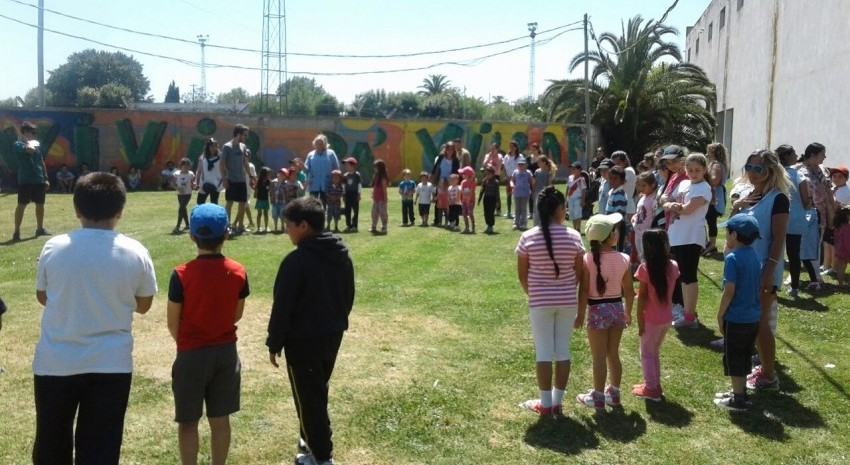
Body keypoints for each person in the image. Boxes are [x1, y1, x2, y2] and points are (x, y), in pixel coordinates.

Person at [33, 172, 157, 464]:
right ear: (120, 211)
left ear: (76, 210)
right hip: (111, 363)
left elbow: (43, 296)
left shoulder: (55, 246)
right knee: (101, 447)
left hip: (56, 361)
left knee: (51, 442)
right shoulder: (135, 251)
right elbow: (144, 304)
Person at [267, 197, 355, 465]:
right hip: (331, 335)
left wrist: (274, 342)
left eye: (289, 225)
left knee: (309, 398)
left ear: (303, 226)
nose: (286, 230)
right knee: (315, 391)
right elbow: (348, 295)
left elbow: (283, 306)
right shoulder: (341, 254)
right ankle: (309, 442)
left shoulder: (296, 262)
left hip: (303, 342)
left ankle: (322, 456)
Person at [167, 203, 249, 465]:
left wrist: (191, 338)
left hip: (191, 353)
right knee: (220, 420)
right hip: (226, 353)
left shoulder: (181, 275)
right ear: (226, 233)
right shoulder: (237, 271)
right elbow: (236, 314)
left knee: (188, 422)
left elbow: (173, 322)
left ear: (192, 236)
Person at [516, 187, 585, 417]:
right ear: (558, 210)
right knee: (563, 350)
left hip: (540, 302)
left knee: (544, 352)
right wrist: (566, 290)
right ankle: (557, 403)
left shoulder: (528, 237)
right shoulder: (574, 236)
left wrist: (533, 293)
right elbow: (579, 273)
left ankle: (545, 405)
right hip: (567, 301)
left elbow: (522, 274)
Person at [729, 150, 790, 392]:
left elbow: (778, 238)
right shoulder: (747, 194)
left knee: (759, 323)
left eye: (759, 169)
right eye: (749, 167)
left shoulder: (778, 199)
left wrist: (768, 272)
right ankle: (765, 371)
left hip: (763, 269)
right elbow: (732, 227)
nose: (752, 173)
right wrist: (736, 207)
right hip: (742, 267)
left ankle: (769, 375)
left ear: (771, 171)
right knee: (752, 322)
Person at [576, 212, 634, 411]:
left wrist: (580, 315)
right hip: (617, 309)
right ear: (611, 236)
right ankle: (614, 394)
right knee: (613, 354)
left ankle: (598, 396)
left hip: (596, 310)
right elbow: (629, 291)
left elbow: (583, 291)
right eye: (614, 230)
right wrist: (628, 313)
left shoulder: (586, 259)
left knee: (598, 356)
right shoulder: (624, 258)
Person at [713, 214, 763, 411]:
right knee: (744, 356)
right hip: (753, 317)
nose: (725, 235)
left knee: (733, 358)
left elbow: (729, 291)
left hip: (736, 318)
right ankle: (740, 391)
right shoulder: (754, 256)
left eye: (727, 232)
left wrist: (720, 314)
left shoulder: (733, 259)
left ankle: (738, 400)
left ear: (734, 234)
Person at [662, 153, 712, 328]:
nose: (693, 173)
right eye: (690, 169)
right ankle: (683, 310)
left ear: (705, 169)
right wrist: (670, 206)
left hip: (691, 238)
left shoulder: (704, 188)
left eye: (697, 170)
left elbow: (689, 209)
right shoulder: (683, 183)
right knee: (680, 275)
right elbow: (666, 201)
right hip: (676, 236)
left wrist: (673, 207)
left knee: (689, 276)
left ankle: (690, 317)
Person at [632, 229, 679, 401]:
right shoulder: (673, 266)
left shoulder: (645, 268)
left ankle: (651, 389)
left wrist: (639, 320)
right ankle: (653, 384)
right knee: (654, 352)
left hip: (650, 319)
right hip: (666, 318)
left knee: (646, 353)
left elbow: (642, 297)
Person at [777, 145, 818, 297]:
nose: (796, 155)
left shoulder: (775, 173)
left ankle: (773, 283)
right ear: (787, 156)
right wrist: (809, 202)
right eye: (793, 153)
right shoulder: (798, 175)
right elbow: (805, 200)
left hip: (776, 218)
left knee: (774, 251)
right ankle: (794, 287)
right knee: (794, 254)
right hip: (795, 219)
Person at [798, 143, 833, 282]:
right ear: (812, 155)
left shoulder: (823, 170)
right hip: (803, 213)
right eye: (822, 154)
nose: (825, 156)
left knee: (816, 244)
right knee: (799, 243)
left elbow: (829, 191)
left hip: (821, 214)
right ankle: (795, 274)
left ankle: (816, 275)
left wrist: (832, 211)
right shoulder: (798, 170)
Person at [12, 121, 50, 242]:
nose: (34, 135)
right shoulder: (18, 144)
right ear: (25, 132)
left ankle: (40, 229)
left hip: (38, 179)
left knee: (40, 204)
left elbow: (41, 161)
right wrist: (31, 143)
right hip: (26, 179)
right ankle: (16, 231)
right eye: (32, 132)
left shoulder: (36, 145)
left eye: (34, 133)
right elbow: (29, 150)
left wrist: (45, 177)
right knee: (22, 205)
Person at [220, 124, 254, 235]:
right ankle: (228, 226)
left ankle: (240, 226)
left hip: (241, 180)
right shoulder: (227, 147)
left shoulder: (243, 146)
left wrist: (251, 175)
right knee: (229, 203)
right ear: (239, 134)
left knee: (243, 203)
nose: (246, 137)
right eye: (245, 135)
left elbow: (245, 162)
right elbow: (222, 163)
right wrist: (224, 178)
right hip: (231, 179)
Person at [703, 143, 729, 256]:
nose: (707, 154)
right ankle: (709, 244)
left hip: (714, 196)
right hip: (714, 195)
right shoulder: (717, 164)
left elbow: (714, 181)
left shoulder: (716, 165)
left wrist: (703, 178)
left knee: (711, 220)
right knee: (710, 221)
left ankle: (711, 245)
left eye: (709, 152)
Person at [305, 134, 341, 208]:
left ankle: (322, 218)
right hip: (314, 184)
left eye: (321, 144)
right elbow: (307, 170)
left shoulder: (331, 153)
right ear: (314, 144)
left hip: (327, 184)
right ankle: (312, 219)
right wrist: (302, 166)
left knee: (324, 205)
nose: (318, 146)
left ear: (324, 144)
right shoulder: (310, 154)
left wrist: (335, 182)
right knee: (312, 205)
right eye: (317, 143)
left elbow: (336, 169)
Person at [632, 172, 659, 262]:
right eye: (639, 185)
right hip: (638, 232)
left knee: (647, 257)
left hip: (647, 233)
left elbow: (655, 215)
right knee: (641, 257)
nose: (641, 188)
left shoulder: (654, 199)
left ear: (652, 185)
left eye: (644, 185)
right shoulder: (643, 197)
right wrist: (635, 216)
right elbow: (641, 211)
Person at [606, 166, 629, 252]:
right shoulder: (613, 192)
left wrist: (615, 231)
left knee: (616, 250)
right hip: (611, 225)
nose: (612, 181)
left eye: (615, 178)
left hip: (617, 226)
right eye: (610, 178)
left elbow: (618, 215)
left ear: (622, 181)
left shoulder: (619, 194)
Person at [195, 138, 224, 205]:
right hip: (204, 183)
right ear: (208, 147)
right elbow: (199, 171)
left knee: (214, 203)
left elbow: (225, 170)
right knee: (200, 202)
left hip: (216, 183)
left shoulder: (221, 158)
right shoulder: (203, 158)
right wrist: (197, 182)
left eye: (215, 146)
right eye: (212, 146)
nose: (214, 148)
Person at [173, 158, 195, 234]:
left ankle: (178, 226)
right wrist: (178, 188)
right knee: (183, 208)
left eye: (188, 166)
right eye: (184, 166)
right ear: (181, 166)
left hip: (188, 193)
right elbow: (172, 183)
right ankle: (187, 225)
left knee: (181, 207)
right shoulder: (177, 174)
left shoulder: (191, 174)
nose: (186, 168)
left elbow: (192, 183)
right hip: (180, 194)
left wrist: (194, 185)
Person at [532, 156, 555, 227]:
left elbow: (549, 183)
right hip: (537, 193)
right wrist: (533, 191)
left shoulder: (548, 172)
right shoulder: (537, 172)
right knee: (536, 209)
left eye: (539, 162)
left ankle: (544, 224)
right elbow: (534, 183)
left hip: (545, 194)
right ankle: (536, 225)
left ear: (544, 162)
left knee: (544, 209)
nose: (538, 163)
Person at [502, 141, 524, 218]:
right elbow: (504, 168)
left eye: (513, 147)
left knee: (517, 195)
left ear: (516, 147)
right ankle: (509, 211)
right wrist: (506, 176)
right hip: (508, 178)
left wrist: (515, 177)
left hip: (517, 178)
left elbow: (521, 167)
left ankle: (518, 211)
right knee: (509, 195)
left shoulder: (520, 157)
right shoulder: (506, 157)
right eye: (510, 146)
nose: (511, 148)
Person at [511, 158, 533, 231]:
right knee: (517, 209)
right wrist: (512, 185)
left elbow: (531, 182)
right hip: (517, 193)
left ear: (525, 165)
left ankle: (523, 224)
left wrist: (533, 190)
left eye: (522, 164)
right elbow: (512, 181)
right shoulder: (515, 172)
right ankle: (516, 223)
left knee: (524, 209)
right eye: (519, 165)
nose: (520, 166)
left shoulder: (528, 173)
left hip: (525, 193)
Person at [478, 165, 500, 234]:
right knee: (486, 213)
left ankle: (491, 226)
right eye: (486, 174)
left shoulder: (496, 182)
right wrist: (479, 199)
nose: (487, 175)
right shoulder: (485, 181)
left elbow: (497, 193)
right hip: (486, 198)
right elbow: (482, 191)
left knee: (491, 213)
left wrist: (497, 202)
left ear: (493, 174)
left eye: (488, 174)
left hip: (492, 199)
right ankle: (488, 225)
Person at [342, 157, 362, 232]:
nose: (346, 167)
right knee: (347, 210)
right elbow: (343, 186)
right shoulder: (345, 175)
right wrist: (343, 195)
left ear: (353, 165)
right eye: (346, 165)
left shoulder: (357, 175)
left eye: (348, 165)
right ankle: (348, 225)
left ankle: (354, 225)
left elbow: (359, 185)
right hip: (347, 194)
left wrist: (359, 194)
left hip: (354, 194)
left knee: (355, 210)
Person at [370, 159, 389, 234]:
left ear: (380, 168)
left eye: (376, 167)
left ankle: (384, 227)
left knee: (382, 213)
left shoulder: (383, 178)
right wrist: (373, 194)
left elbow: (384, 189)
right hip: (375, 198)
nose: (374, 168)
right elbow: (375, 187)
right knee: (374, 213)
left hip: (381, 199)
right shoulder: (376, 176)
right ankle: (373, 226)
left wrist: (385, 198)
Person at [566, 162, 586, 231]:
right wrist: (566, 198)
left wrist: (583, 201)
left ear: (579, 170)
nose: (572, 170)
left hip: (578, 199)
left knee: (578, 214)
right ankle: (574, 228)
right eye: (572, 168)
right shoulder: (570, 177)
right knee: (572, 214)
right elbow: (567, 188)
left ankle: (578, 228)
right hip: (571, 199)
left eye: (574, 168)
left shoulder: (582, 179)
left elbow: (583, 190)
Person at [833, 206, 850, 286]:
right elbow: (848, 241)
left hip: (839, 250)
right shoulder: (847, 227)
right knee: (842, 267)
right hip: (846, 251)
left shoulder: (837, 227)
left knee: (840, 268)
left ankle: (840, 284)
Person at [459, 166, 477, 233]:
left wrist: (468, 201)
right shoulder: (463, 182)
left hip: (470, 201)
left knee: (470, 213)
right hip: (464, 201)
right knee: (464, 214)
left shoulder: (473, 183)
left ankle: (473, 227)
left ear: (468, 175)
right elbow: (462, 191)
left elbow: (471, 193)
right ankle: (467, 227)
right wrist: (464, 200)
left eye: (463, 173)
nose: (462, 175)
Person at [255, 166, 272, 233]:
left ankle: (266, 227)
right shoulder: (258, 181)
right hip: (259, 199)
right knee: (259, 214)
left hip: (266, 199)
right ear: (264, 174)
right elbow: (256, 189)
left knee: (266, 214)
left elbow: (270, 190)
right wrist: (255, 194)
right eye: (268, 173)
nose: (269, 175)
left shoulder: (269, 181)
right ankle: (258, 227)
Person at [270, 168, 288, 233]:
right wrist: (272, 199)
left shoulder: (286, 183)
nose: (281, 176)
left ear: (286, 176)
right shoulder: (273, 182)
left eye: (283, 175)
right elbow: (271, 191)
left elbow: (287, 193)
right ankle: (275, 227)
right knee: (274, 215)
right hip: (275, 202)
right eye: (280, 174)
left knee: (282, 215)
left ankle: (282, 226)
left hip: (283, 202)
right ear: (278, 174)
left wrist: (287, 201)